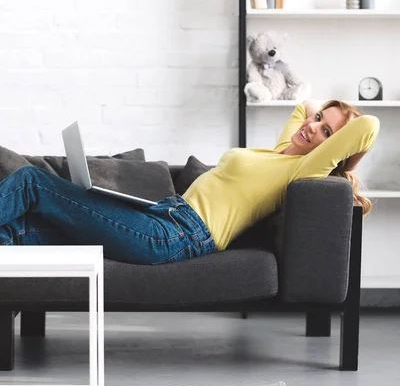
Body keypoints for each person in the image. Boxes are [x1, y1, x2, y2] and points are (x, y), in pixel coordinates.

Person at [0, 99, 379, 265]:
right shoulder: (283, 153)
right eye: (318, 121)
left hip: (178, 235)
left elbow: (369, 126)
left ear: (333, 151)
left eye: (326, 131)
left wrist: (340, 137)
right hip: (164, 215)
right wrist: (324, 116)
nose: (312, 127)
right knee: (22, 231)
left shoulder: (302, 170)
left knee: (33, 182)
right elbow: (304, 106)